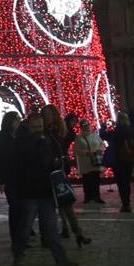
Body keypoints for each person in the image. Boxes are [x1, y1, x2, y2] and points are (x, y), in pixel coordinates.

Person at [12, 114, 79, 266]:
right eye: (35, 127)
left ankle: (60, 259)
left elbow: (55, 158)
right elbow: (22, 166)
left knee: (51, 227)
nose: (38, 130)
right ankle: (18, 255)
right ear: (28, 126)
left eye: (40, 127)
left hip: (46, 190)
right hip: (30, 192)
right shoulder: (23, 143)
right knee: (25, 227)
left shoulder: (48, 140)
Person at [42, 105, 88, 246]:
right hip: (46, 172)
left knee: (66, 203)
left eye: (50, 114)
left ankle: (76, 233)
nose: (48, 116)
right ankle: (50, 235)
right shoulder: (42, 131)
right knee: (47, 206)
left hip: (59, 171)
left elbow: (64, 147)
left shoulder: (60, 131)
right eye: (46, 114)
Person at [0, 112, 22, 247]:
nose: (19, 122)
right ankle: (15, 238)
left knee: (22, 209)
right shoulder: (0, 137)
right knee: (14, 207)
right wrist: (0, 181)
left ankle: (22, 236)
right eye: (17, 120)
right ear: (10, 121)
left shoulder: (22, 136)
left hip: (22, 177)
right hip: (9, 178)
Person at [106, 113, 134, 213]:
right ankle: (128, 203)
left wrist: (105, 126)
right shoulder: (129, 129)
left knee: (121, 182)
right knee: (126, 181)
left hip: (118, 160)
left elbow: (104, 135)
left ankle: (125, 204)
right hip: (129, 158)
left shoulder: (116, 130)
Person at [73, 118, 105, 204]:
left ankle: (97, 196)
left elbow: (102, 144)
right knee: (87, 180)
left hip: (95, 161)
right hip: (85, 163)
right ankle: (88, 197)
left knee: (96, 180)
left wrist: (99, 150)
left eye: (87, 125)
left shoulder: (95, 135)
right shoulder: (79, 137)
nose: (86, 127)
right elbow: (75, 149)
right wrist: (86, 153)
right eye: (84, 126)